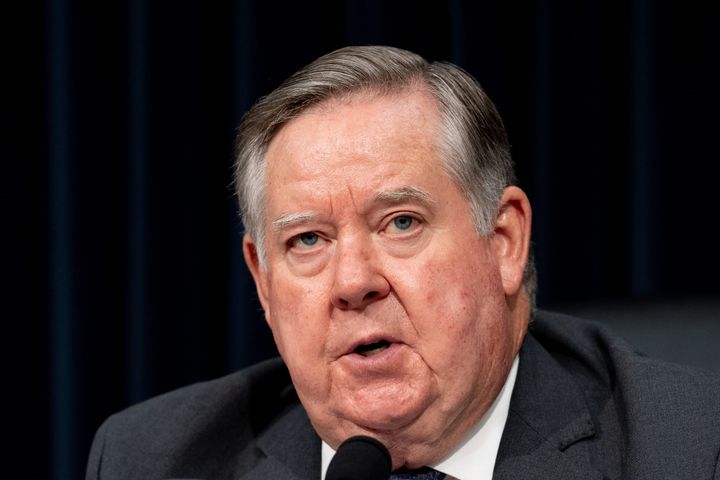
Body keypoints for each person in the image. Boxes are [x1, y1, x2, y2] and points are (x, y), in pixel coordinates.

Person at [86, 46, 720, 480]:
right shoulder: (154, 460)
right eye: (307, 240)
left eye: (401, 223)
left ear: (504, 241)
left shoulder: (688, 451)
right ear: (263, 282)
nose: (353, 282)